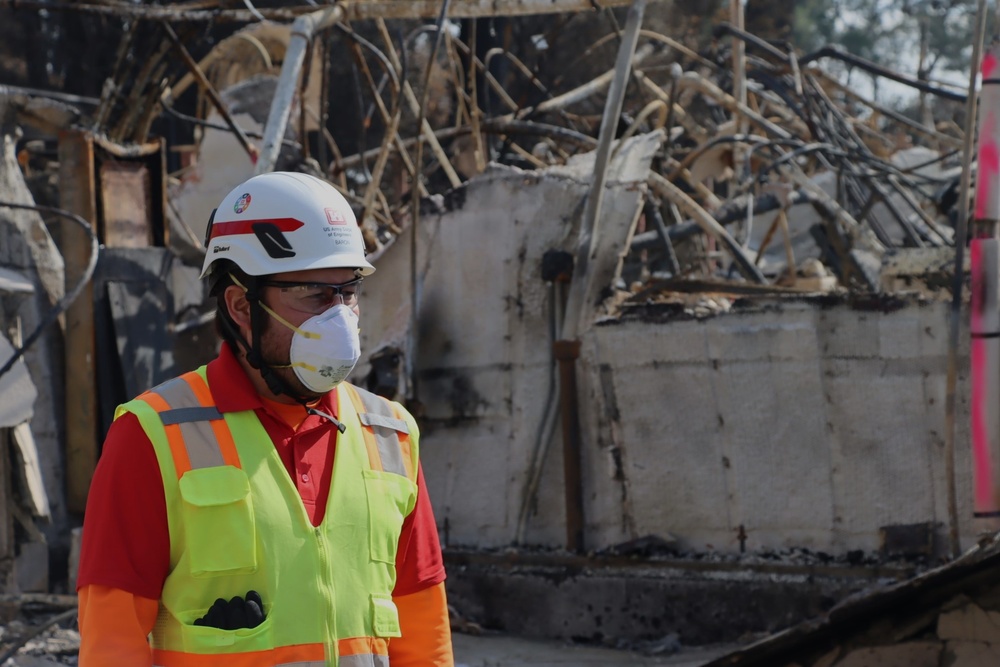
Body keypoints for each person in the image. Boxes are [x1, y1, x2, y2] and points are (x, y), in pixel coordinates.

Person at [76, 171, 454, 666]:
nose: (340, 317)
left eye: (348, 292)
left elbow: (424, 633)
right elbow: (112, 642)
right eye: (315, 295)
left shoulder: (391, 433)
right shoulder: (152, 436)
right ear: (240, 305)